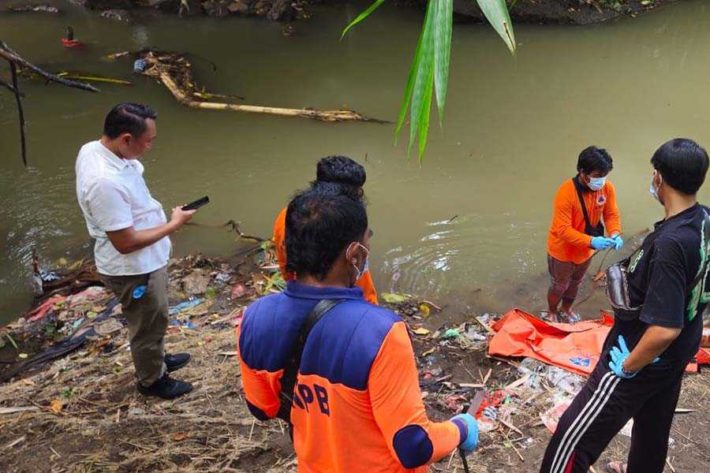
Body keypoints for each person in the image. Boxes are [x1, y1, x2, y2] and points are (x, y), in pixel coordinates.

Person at [238, 189, 478, 472]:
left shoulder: (254, 318)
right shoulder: (380, 332)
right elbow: (413, 446)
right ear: (354, 254)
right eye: (367, 241)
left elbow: (261, 408)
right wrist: (460, 428)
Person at [539, 138, 710, 473]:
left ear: (659, 179)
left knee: (571, 438)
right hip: (675, 357)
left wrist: (628, 365)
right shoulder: (703, 220)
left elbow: (664, 328)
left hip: (640, 354)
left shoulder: (671, 244)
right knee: (651, 433)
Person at [75, 103, 196, 399]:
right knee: (146, 324)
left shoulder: (95, 148)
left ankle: (156, 359)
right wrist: (173, 225)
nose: (151, 145)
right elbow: (125, 243)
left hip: (148, 257)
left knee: (156, 317)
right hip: (133, 268)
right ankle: (152, 380)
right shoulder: (103, 182)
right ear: (126, 138)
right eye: (148, 140)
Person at [272, 155, 378, 304]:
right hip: (341, 304)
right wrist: (371, 309)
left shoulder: (289, 215)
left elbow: (286, 264)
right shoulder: (349, 225)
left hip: (298, 295)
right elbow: (361, 280)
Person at [546, 146, 623, 322]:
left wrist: (615, 233)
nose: (601, 180)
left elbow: (611, 214)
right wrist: (592, 241)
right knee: (559, 285)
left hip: (585, 249)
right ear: (582, 172)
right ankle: (551, 310)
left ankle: (566, 309)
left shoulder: (607, 188)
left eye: (604, 175)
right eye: (597, 176)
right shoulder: (565, 193)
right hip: (563, 251)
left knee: (575, 283)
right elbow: (562, 229)